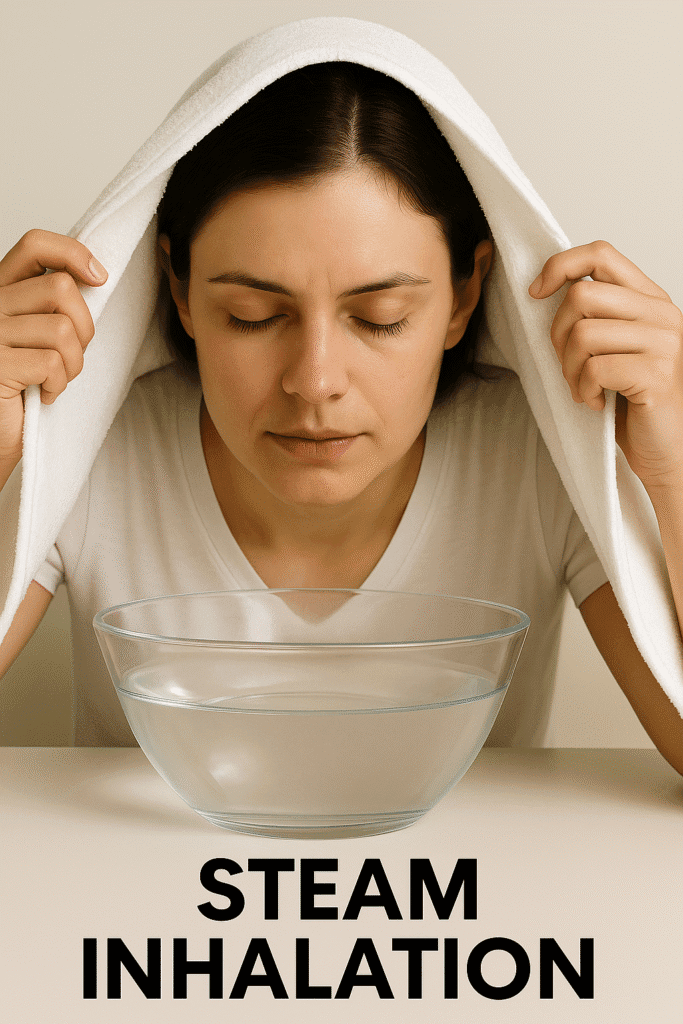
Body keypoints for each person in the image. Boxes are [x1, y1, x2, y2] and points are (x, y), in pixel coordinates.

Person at [1, 58, 682, 769]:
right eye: (253, 316)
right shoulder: (89, 442)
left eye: (381, 318)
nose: (315, 381)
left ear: (462, 294)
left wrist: (673, 462)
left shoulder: (535, 454)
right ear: (178, 290)